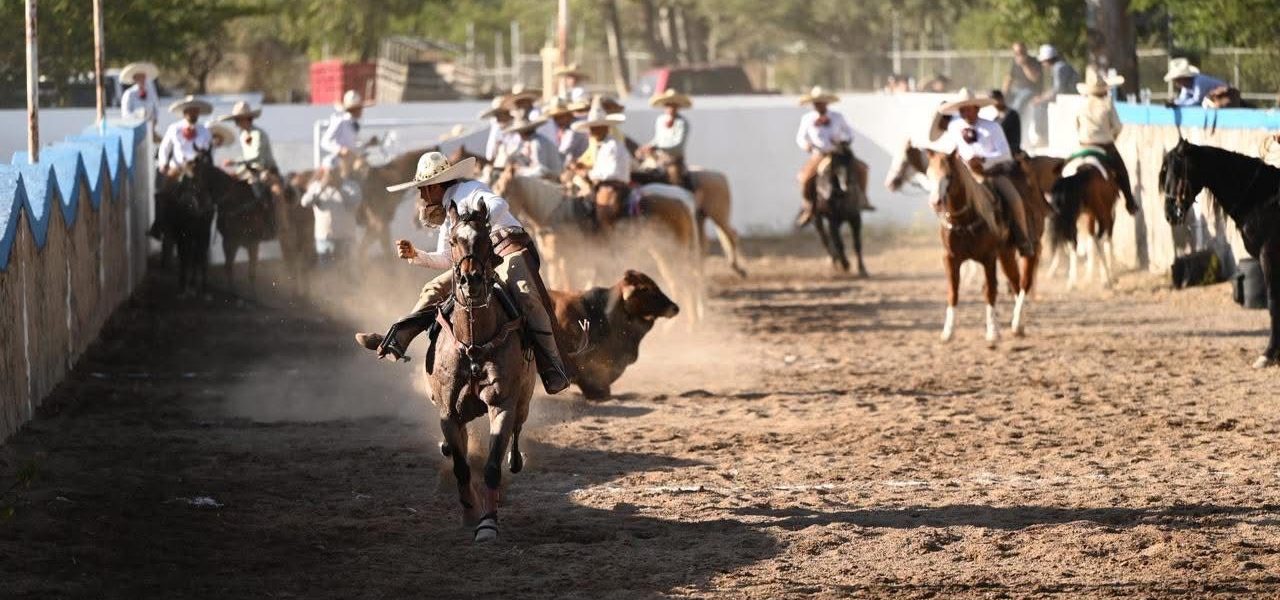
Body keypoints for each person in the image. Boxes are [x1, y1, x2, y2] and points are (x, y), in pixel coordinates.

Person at [353, 151, 571, 394]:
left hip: (508, 248)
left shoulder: (471, 190)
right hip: (474, 262)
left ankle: (553, 366)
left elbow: (500, 204)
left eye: (425, 188)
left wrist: (479, 225)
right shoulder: (449, 213)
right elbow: (447, 258)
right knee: (433, 289)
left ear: (437, 185)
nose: (422, 195)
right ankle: (396, 340)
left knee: (526, 296)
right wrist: (417, 255)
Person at [931, 88, 1036, 257]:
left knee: (1015, 200)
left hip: (991, 175)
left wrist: (984, 159)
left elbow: (1005, 154)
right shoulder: (954, 126)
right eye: (961, 109)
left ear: (977, 109)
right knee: (941, 194)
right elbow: (937, 135)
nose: (965, 113)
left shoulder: (992, 127)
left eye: (968, 109)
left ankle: (1023, 239)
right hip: (965, 176)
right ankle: (948, 234)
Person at [794, 86, 873, 227]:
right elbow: (800, 138)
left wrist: (842, 140)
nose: (818, 105)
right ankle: (808, 207)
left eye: (821, 102)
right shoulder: (807, 119)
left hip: (838, 153)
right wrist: (807, 145)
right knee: (805, 178)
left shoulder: (837, 117)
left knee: (862, 169)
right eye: (816, 102)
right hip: (819, 155)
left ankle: (863, 199)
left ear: (826, 103)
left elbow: (849, 133)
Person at [1075, 69, 1137, 214]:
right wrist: (1112, 136)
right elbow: (1117, 127)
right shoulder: (1108, 104)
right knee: (1122, 171)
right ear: (1104, 90)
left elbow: (1076, 125)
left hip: (1084, 146)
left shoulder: (1082, 104)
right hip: (1105, 146)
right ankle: (1130, 202)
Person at [152, 96, 214, 239]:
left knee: (212, 195)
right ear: (184, 112)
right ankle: (158, 225)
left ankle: (207, 223)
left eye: (195, 112)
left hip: (198, 169)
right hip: (178, 168)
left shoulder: (205, 131)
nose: (193, 114)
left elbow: (209, 150)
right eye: (190, 111)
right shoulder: (174, 128)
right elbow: (164, 148)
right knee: (163, 192)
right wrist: (163, 163)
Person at [216, 101, 282, 232]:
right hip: (250, 170)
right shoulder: (243, 135)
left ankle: (271, 218)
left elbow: (257, 157)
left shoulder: (258, 134)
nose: (237, 123)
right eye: (236, 120)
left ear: (247, 118)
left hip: (266, 169)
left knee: (261, 186)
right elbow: (247, 160)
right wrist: (237, 171)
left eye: (238, 119)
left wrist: (234, 162)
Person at [571, 97, 630, 231]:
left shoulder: (613, 145)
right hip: (602, 183)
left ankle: (608, 237)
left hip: (613, 185)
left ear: (605, 128)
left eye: (595, 128)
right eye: (591, 129)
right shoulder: (601, 145)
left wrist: (588, 174)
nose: (592, 132)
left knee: (603, 209)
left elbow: (611, 172)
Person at [300, 155, 360, 262]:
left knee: (349, 272)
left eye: (334, 171)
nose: (332, 174)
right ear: (323, 171)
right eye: (329, 171)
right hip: (325, 239)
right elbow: (305, 202)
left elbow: (354, 204)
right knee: (328, 272)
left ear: (339, 170)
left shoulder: (351, 186)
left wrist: (339, 188)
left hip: (347, 239)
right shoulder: (316, 187)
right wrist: (321, 188)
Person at [639, 89, 693, 191]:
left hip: (673, 160)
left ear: (678, 107)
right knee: (642, 171)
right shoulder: (660, 120)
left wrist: (657, 147)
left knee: (675, 180)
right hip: (658, 158)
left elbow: (678, 145)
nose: (671, 108)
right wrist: (647, 146)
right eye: (668, 105)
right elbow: (657, 139)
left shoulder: (682, 123)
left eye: (674, 105)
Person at [1028, 45, 1078, 146]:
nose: (1042, 64)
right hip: (1066, 97)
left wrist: (1041, 99)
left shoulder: (1059, 68)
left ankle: (1042, 137)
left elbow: (1058, 90)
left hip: (1067, 98)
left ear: (1047, 60)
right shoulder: (1060, 66)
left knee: (1039, 106)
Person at [319, 89, 374, 180]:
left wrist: (367, 144)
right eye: (360, 108)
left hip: (348, 166)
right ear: (354, 109)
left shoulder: (353, 124)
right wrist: (340, 150)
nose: (362, 111)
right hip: (336, 165)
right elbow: (324, 141)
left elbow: (352, 148)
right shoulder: (340, 121)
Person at [1002, 42, 1041, 142]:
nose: (1018, 55)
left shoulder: (1034, 61)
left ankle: (1012, 121)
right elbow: (1009, 79)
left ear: (1025, 51)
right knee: (1007, 101)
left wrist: (1024, 65)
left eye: (1021, 52)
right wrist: (1003, 94)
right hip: (1017, 90)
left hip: (1031, 90)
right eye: (1016, 53)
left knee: (1019, 101)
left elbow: (1034, 78)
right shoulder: (1014, 63)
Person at [503, 115, 563, 180]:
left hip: (552, 179)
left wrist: (519, 171)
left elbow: (541, 170)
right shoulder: (531, 142)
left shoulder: (537, 143)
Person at [1164, 58, 1228, 108]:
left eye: (1177, 79)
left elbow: (1196, 101)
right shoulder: (1186, 86)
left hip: (1226, 99)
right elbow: (1183, 99)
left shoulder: (1199, 81)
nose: (1176, 82)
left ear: (1183, 77)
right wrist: (1175, 102)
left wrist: (1177, 103)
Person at [119, 62, 160, 138]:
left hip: (149, 130)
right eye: (139, 77)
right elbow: (125, 114)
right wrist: (139, 114)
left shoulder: (151, 93)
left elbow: (156, 110)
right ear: (135, 79)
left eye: (143, 77)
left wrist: (153, 124)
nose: (142, 80)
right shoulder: (129, 94)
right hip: (134, 130)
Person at [543, 96, 589, 164]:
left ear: (568, 114)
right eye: (555, 118)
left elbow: (562, 152)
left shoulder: (574, 128)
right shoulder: (566, 129)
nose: (557, 121)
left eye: (560, 117)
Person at [480, 97, 515, 165]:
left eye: (499, 115)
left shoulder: (517, 128)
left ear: (507, 113)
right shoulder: (497, 129)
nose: (498, 119)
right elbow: (491, 152)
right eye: (497, 116)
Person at [988, 90, 1022, 156]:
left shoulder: (1012, 114)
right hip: (999, 151)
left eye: (996, 99)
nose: (995, 103)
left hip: (1012, 150)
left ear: (1001, 99)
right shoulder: (996, 119)